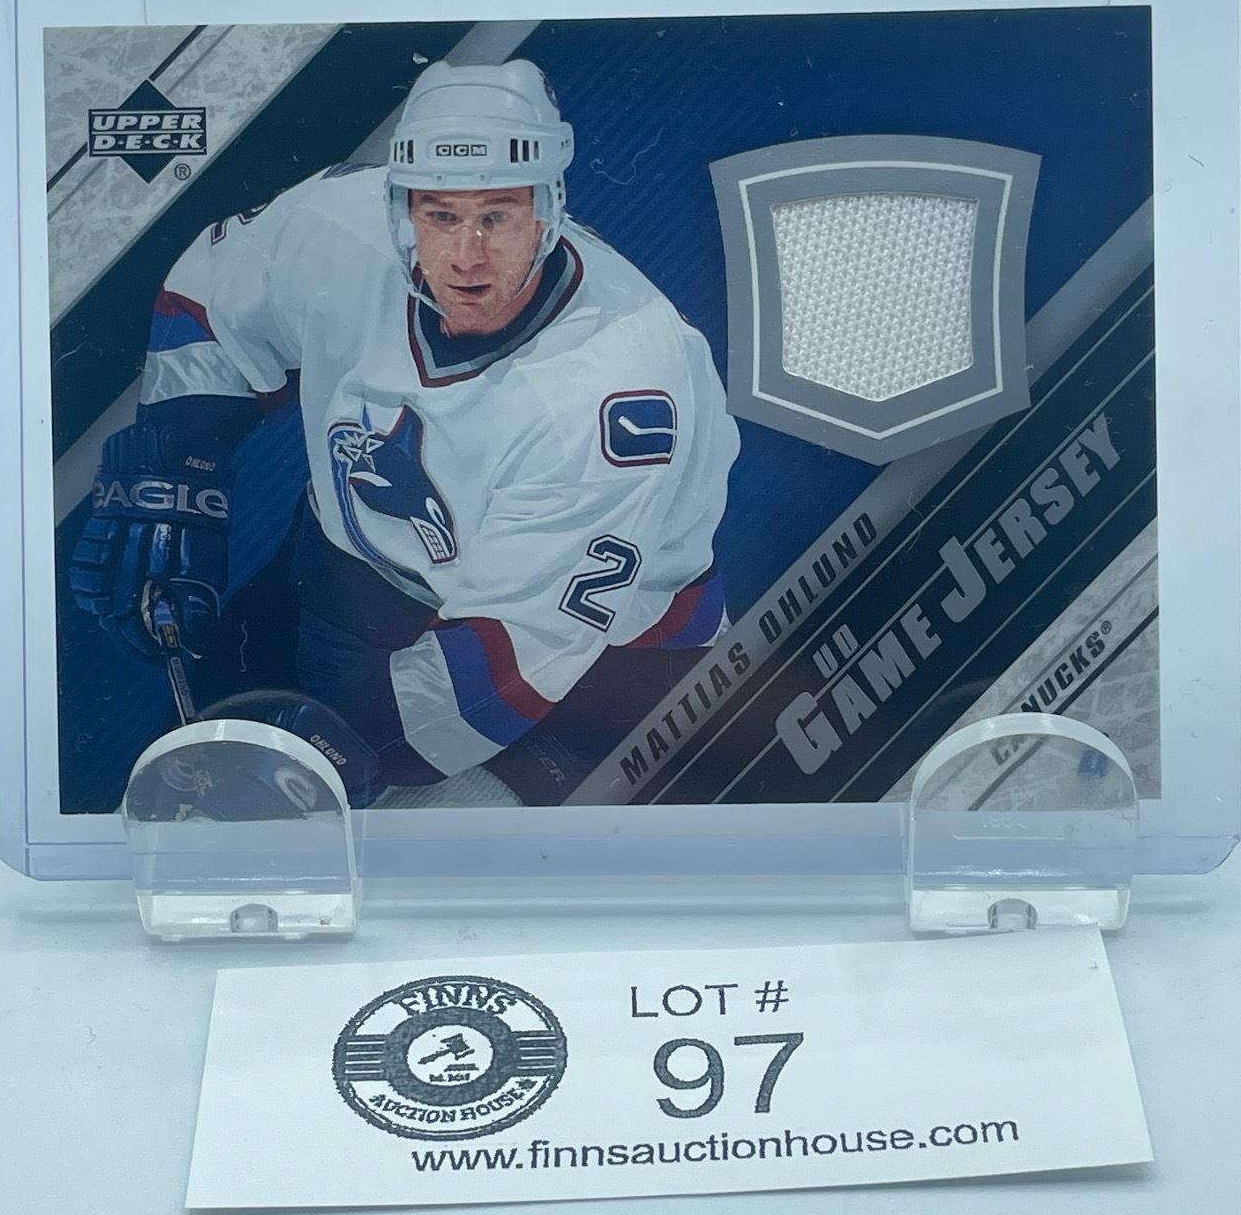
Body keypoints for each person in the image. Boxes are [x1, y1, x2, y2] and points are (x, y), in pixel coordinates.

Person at [69, 58, 740, 803]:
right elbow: (210, 306)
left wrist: (338, 750)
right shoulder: (335, 226)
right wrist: (173, 467)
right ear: (399, 206)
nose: (468, 255)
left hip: (590, 673)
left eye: (499, 216)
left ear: (548, 209)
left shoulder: (616, 387)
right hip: (340, 577)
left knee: (411, 846)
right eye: (441, 215)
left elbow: (516, 656)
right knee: (193, 776)